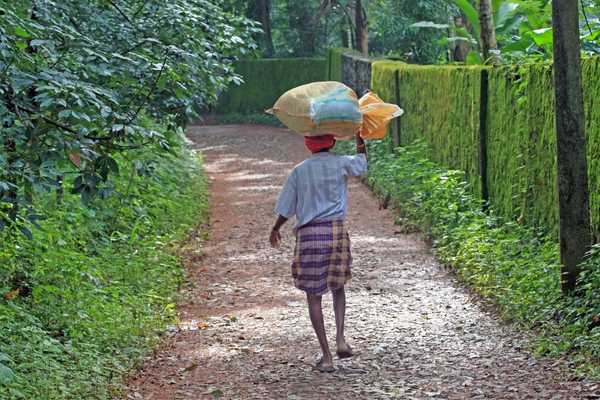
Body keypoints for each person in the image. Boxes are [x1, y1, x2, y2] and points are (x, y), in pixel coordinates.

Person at [269, 131, 367, 373]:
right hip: (335, 232)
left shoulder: (299, 171)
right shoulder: (342, 163)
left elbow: (286, 207)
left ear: (308, 144)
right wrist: (359, 139)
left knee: (314, 296)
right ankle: (341, 339)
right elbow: (361, 165)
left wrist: (276, 228)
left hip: (309, 236)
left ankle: (326, 357)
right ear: (332, 141)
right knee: (339, 286)